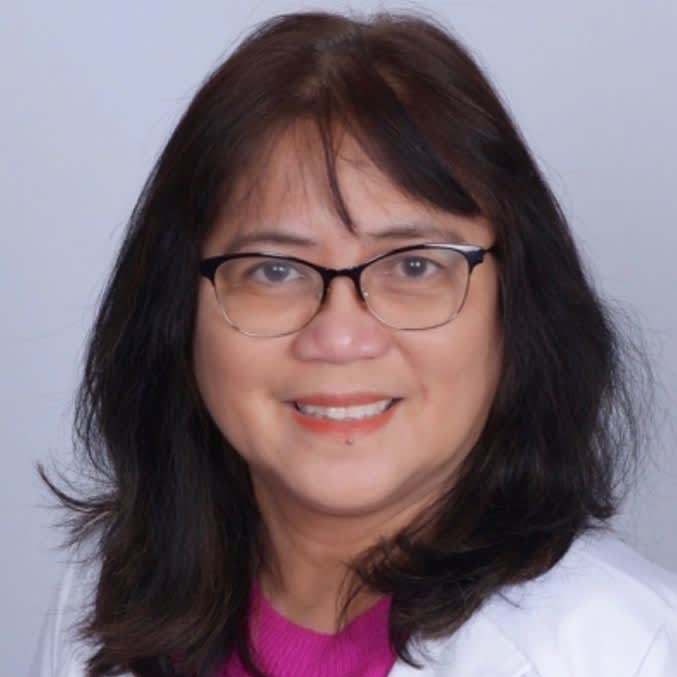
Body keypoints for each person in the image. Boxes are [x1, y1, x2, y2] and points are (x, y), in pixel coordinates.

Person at [31, 9, 677, 677]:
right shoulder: (107, 600)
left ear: (516, 305)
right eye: (273, 270)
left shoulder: (623, 652)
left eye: (414, 266)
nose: (339, 337)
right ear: (177, 310)